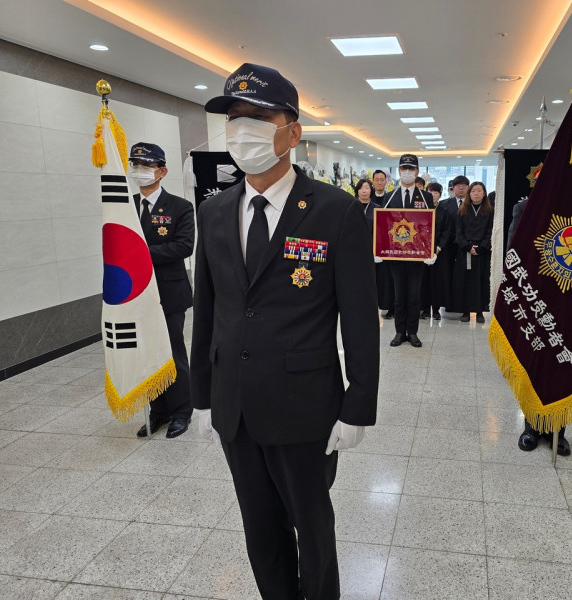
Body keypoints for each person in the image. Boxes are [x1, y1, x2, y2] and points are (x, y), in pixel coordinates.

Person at [191, 62, 380, 600]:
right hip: (235, 405)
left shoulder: (336, 212)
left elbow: (360, 318)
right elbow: (209, 310)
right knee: (260, 528)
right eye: (234, 118)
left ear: (292, 133)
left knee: (312, 528)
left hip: (304, 406)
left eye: (257, 118)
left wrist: (358, 403)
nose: (241, 130)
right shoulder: (214, 211)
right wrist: (201, 395)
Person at [129, 142, 195, 439]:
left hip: (169, 293)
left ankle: (181, 411)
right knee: (148, 355)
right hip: (137, 294)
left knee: (171, 352)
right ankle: (159, 411)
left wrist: (141, 253)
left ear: (162, 171)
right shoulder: (126, 206)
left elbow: (183, 246)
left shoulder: (180, 207)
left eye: (146, 166)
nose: (139, 171)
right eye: (135, 165)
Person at [507, 196, 571, 457]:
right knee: (535, 362)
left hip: (568, 300)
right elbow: (513, 252)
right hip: (534, 298)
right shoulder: (525, 208)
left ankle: (559, 431)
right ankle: (531, 426)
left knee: (563, 365)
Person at [379, 154, 434, 347]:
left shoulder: (426, 197)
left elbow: (430, 226)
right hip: (396, 255)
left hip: (417, 256)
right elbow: (383, 226)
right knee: (399, 296)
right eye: (404, 168)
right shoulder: (389, 197)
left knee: (414, 297)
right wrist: (379, 249)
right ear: (399, 170)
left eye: (411, 169)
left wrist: (431, 250)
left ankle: (413, 333)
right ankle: (399, 332)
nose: (407, 172)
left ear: (417, 171)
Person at [451, 182, 492, 324]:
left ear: (484, 193)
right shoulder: (462, 210)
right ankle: (465, 311)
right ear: (469, 193)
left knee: (481, 280)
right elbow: (458, 232)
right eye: (473, 191)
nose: (476, 193)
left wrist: (482, 246)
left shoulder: (490, 211)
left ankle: (480, 311)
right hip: (465, 250)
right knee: (465, 281)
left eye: (479, 190)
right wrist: (467, 246)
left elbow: (490, 231)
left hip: (482, 251)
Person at [420, 182, 453, 320]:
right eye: (430, 192)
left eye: (436, 192)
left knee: (437, 282)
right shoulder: (420, 210)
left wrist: (439, 247)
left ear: (440, 195)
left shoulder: (444, 212)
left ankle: (436, 309)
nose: (433, 195)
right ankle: (425, 309)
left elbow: (447, 231)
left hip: (438, 252)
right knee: (423, 280)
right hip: (422, 252)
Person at [441, 175, 469, 313]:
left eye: (464, 185)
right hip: (448, 245)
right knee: (448, 274)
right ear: (453, 188)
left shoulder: (473, 204)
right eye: (458, 185)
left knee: (465, 275)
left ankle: (464, 305)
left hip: (466, 246)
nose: (461, 187)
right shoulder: (444, 204)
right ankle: (449, 303)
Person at [371, 169, 394, 318]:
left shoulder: (391, 198)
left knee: (387, 277)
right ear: (373, 182)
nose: (379, 182)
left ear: (386, 181)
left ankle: (389, 306)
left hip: (387, 244)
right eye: (377, 180)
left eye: (382, 179)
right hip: (370, 244)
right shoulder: (368, 198)